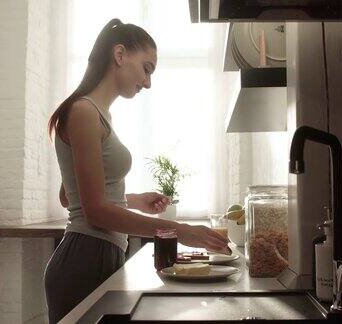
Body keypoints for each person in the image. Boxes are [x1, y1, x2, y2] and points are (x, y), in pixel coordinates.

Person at [43, 18, 230, 323]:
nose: (147, 82)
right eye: (147, 68)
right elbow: (94, 212)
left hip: (100, 254)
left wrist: (135, 199)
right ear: (120, 55)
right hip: (84, 258)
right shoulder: (83, 112)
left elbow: (70, 196)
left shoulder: (98, 115)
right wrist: (180, 232)